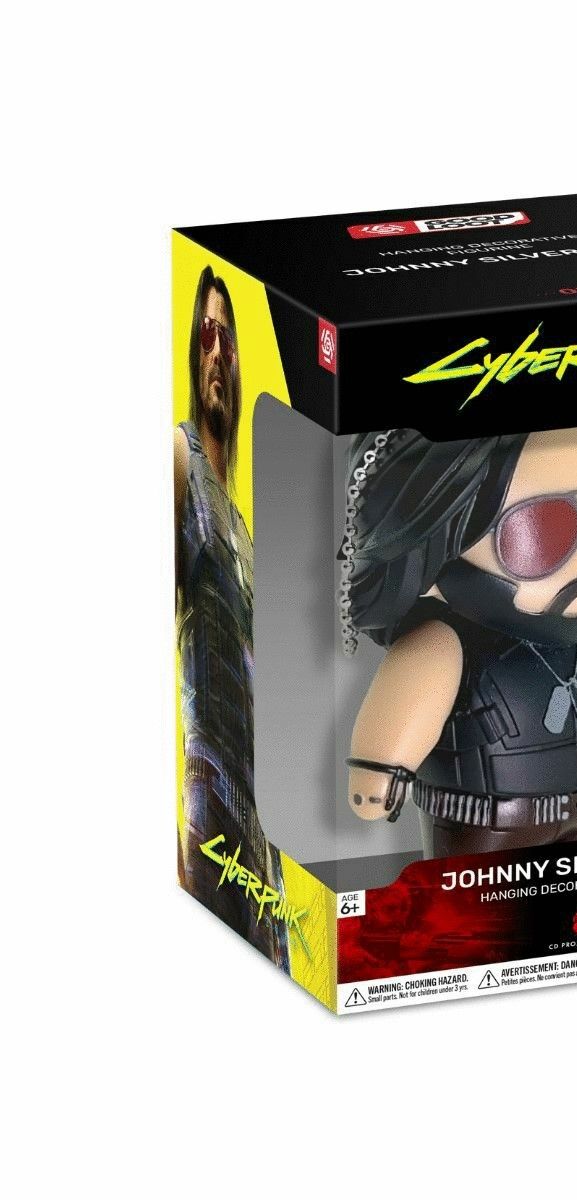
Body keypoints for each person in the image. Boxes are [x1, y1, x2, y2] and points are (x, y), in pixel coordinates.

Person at [340, 421, 577, 858]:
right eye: (547, 528)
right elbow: (407, 701)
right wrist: (381, 772)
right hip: (488, 823)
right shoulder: (441, 644)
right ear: (430, 544)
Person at [174, 266, 287, 966]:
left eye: (228, 338)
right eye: (205, 336)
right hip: (210, 813)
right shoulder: (178, 456)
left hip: (263, 835)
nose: (217, 351)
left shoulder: (243, 525)